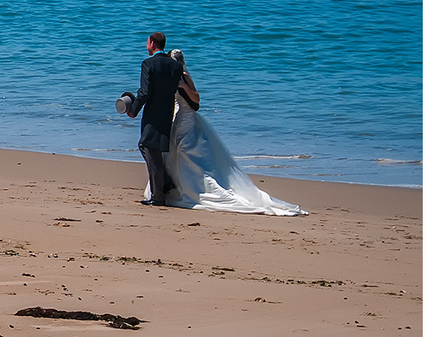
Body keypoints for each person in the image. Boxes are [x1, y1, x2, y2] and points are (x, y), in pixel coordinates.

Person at [150, 49, 306, 215]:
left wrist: (183, 86)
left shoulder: (184, 75)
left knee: (187, 152)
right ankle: (178, 186)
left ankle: (194, 189)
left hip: (187, 118)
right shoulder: (172, 75)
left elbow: (196, 100)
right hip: (177, 118)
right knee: (177, 154)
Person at [125, 31, 182, 207]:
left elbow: (144, 92)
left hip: (152, 112)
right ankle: (164, 183)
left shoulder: (148, 64)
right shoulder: (175, 66)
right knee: (151, 147)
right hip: (167, 111)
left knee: (148, 147)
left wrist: (134, 110)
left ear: (151, 43)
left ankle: (159, 195)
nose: (146, 45)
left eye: (147, 42)